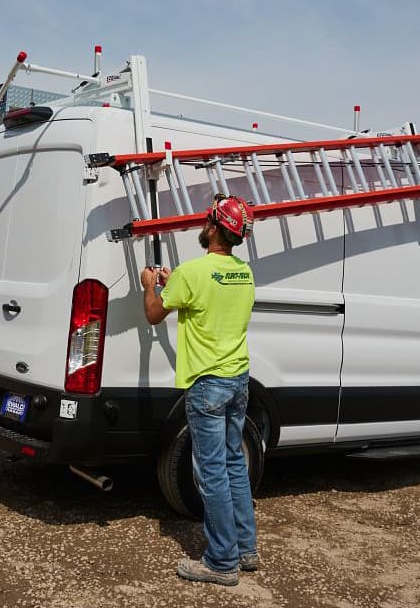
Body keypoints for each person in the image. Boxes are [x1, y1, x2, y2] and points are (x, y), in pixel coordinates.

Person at [140, 193, 258, 586]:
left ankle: (222, 562)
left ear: (216, 228)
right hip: (238, 379)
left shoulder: (192, 273)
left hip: (207, 384)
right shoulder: (244, 272)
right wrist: (175, 282)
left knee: (211, 472)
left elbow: (154, 314)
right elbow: (212, 290)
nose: (204, 225)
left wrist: (150, 286)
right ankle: (245, 548)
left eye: (209, 220)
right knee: (234, 463)